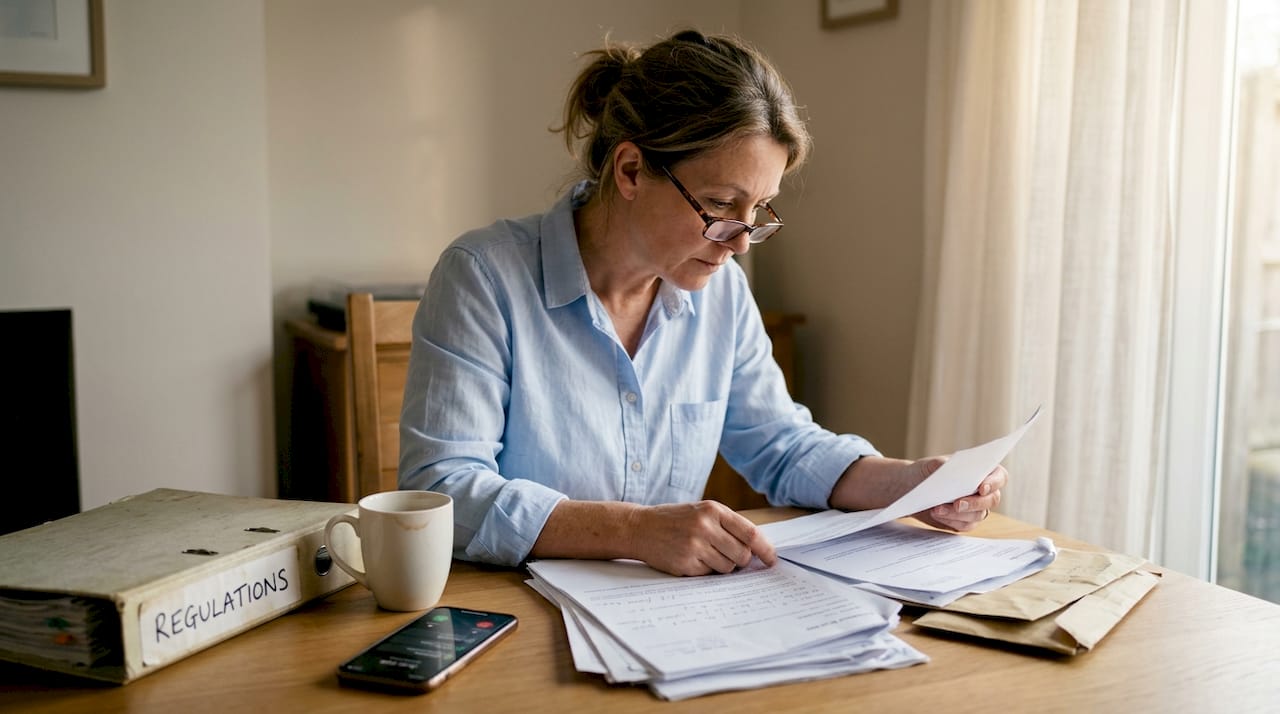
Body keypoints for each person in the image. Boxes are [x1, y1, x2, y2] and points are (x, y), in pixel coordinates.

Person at [399, 29, 1006, 577]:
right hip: (514, 616)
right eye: (720, 205)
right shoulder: (483, 277)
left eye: (759, 211)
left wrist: (910, 482)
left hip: (668, 618)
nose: (741, 243)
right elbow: (443, 490)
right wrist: (634, 531)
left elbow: (780, 445)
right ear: (632, 170)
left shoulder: (721, 291)